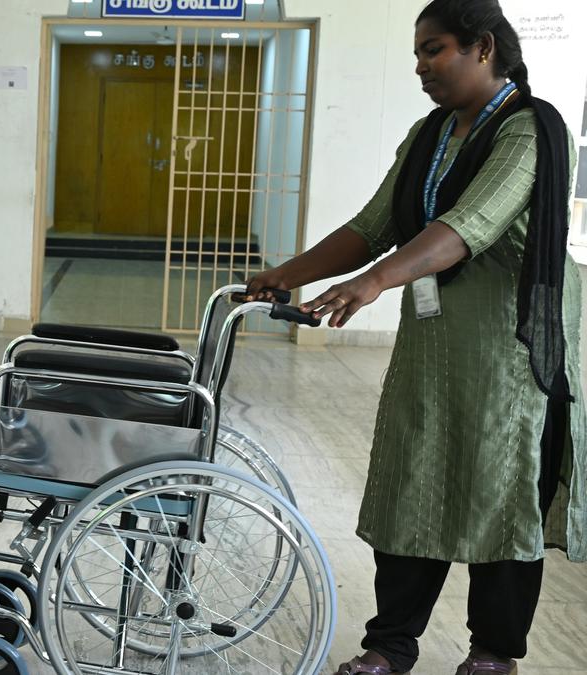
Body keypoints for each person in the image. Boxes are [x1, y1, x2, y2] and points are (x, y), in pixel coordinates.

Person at [245, 1, 584, 673]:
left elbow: (471, 224)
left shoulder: (532, 130)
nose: (421, 66)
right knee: (412, 484)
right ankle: (389, 645)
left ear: (482, 47)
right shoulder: (430, 134)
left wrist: (375, 282)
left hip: (510, 355)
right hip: (432, 349)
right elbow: (372, 224)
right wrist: (285, 272)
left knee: (501, 493)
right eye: (417, 53)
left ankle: (494, 652)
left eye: (434, 50)